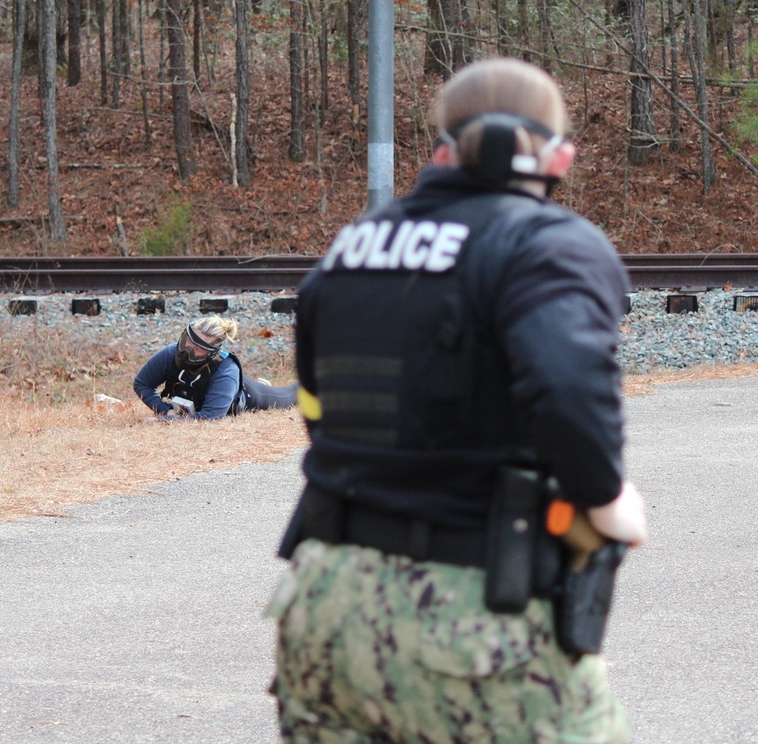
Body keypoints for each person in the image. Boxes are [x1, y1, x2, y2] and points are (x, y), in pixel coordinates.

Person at [266, 57, 648, 743]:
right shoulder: (546, 244)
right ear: (561, 155)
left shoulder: (352, 246)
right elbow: (565, 386)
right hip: (468, 616)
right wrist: (606, 496)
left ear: (441, 148)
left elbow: (319, 409)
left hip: (323, 602)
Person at [133, 314, 298, 421]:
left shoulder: (225, 371)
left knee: (291, 395)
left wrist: (164, 421)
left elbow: (210, 416)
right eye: (187, 341)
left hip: (247, 396)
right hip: (201, 398)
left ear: (211, 354)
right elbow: (142, 384)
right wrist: (165, 410)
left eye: (198, 349)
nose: (187, 351)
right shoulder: (170, 353)